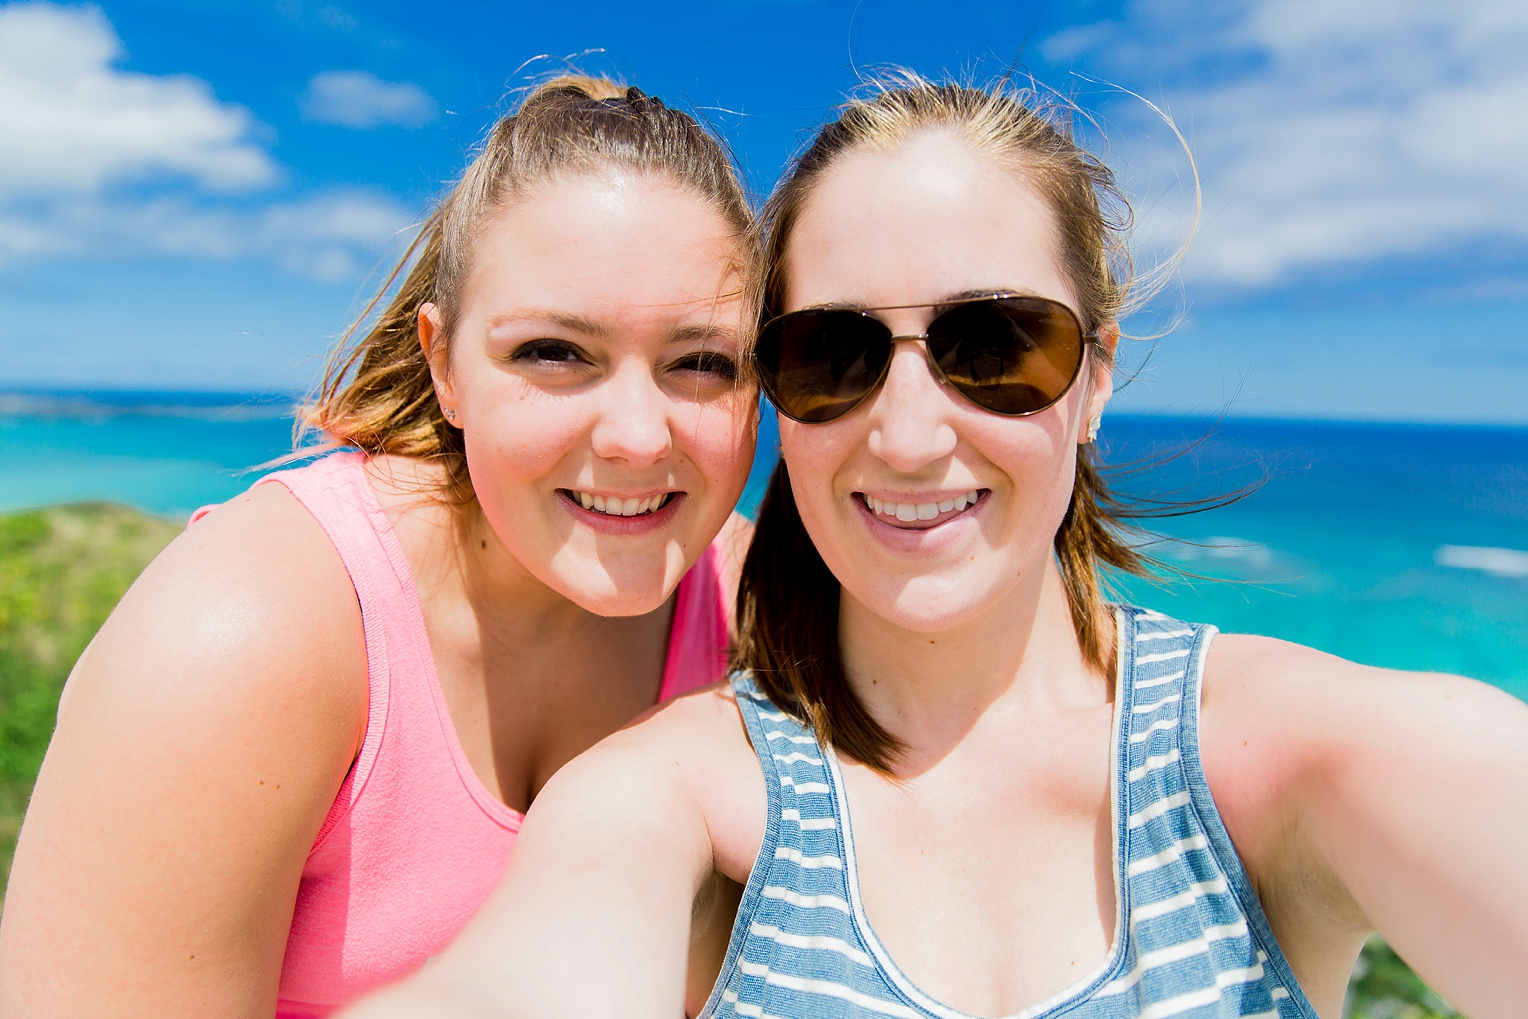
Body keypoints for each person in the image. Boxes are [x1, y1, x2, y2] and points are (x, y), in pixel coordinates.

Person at [340, 76, 1528, 1019]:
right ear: (776, 397)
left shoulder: (1291, 762)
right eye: (832, 355)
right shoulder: (678, 794)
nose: (907, 435)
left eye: (996, 343)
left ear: (1096, 373)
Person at [0, 75, 759, 1018]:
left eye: (703, 362)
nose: (640, 436)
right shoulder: (242, 637)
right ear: (443, 364)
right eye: (555, 352)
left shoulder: (757, 613)